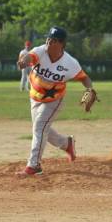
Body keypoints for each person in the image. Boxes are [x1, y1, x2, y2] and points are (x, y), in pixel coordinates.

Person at [16, 26, 94, 176]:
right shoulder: (40, 51)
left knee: (39, 127)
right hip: (34, 97)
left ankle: (34, 165)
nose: (48, 42)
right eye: (48, 38)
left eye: (53, 40)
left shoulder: (70, 63)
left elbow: (84, 78)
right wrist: (23, 61)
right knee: (42, 129)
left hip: (54, 101)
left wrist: (90, 90)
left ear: (61, 44)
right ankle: (67, 144)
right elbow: (29, 57)